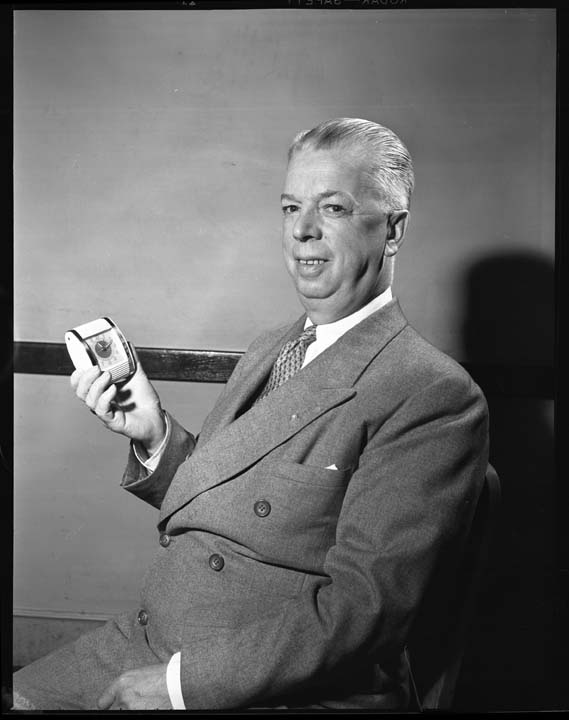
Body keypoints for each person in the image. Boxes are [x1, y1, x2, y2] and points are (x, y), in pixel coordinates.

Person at [12, 118, 489, 710]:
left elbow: (363, 612)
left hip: (262, 687)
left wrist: (178, 687)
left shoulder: (432, 394)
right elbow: (236, 502)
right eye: (290, 208)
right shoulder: (270, 348)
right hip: (149, 639)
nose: (302, 231)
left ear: (393, 231)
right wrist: (155, 434)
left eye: (333, 208)